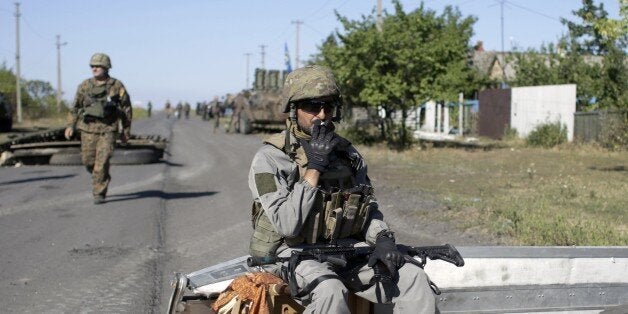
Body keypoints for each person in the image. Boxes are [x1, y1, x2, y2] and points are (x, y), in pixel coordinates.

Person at [247, 65, 435, 313]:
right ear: (293, 110)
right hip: (292, 254)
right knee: (330, 290)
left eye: (328, 107)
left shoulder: (347, 155)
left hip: (346, 250)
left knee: (412, 277)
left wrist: (382, 238)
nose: (322, 115)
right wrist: (314, 169)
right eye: (313, 106)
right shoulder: (271, 158)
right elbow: (287, 224)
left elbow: (367, 209)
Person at [64, 53, 132, 205]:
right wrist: (70, 125)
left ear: (106, 67)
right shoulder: (85, 85)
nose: (94, 68)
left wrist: (125, 130)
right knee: (88, 161)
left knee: (102, 161)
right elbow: (75, 107)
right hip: (88, 129)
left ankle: (99, 192)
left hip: (108, 129)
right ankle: (101, 176)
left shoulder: (116, 86)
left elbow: (126, 108)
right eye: (92, 66)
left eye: (98, 66)